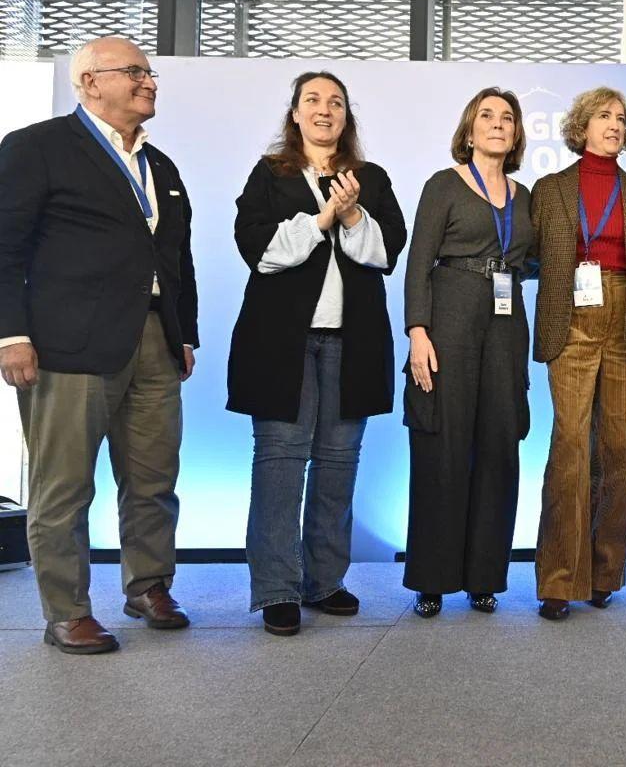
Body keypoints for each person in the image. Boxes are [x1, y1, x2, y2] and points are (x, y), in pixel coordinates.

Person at [0, 36, 198, 654]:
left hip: (153, 343)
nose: (149, 82)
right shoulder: (38, 148)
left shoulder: (159, 165)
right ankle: (67, 610)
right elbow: (4, 247)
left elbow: (175, 257)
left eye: (150, 72)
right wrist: (11, 334)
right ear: (89, 82)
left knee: (153, 477)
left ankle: (148, 586)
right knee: (64, 486)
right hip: (67, 345)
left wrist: (182, 331)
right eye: (134, 72)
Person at [228, 71, 407, 637]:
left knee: (338, 463)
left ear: (346, 116)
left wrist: (353, 213)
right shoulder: (269, 174)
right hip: (283, 344)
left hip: (352, 343)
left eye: (336, 102)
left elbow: (386, 252)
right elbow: (260, 251)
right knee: (280, 464)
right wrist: (324, 217)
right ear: (296, 114)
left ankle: (323, 579)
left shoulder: (370, 179)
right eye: (313, 101)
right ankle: (277, 588)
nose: (325, 110)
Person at [402, 87, 534, 618]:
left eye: (507, 117)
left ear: (517, 133)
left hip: (505, 326)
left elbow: (536, 261)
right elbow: (418, 262)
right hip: (450, 318)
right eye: (487, 116)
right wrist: (417, 332)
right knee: (443, 447)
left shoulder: (526, 198)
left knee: (500, 448)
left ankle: (485, 576)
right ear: (470, 129)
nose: (497, 124)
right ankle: (432, 579)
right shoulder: (444, 185)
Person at [531, 87, 626, 621]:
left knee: (620, 450)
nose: (615, 124)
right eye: (604, 116)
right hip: (571, 318)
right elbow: (532, 255)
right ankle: (560, 580)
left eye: (622, 119)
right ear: (581, 127)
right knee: (570, 447)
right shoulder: (549, 189)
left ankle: (605, 572)